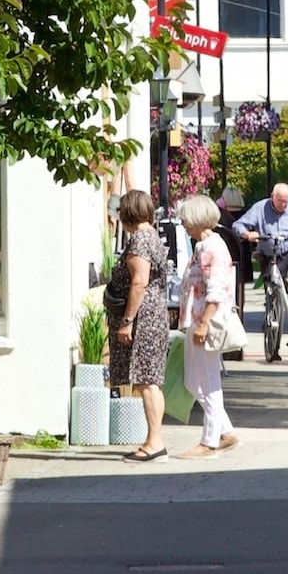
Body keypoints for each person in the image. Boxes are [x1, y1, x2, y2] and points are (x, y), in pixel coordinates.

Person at [106, 188, 170, 463]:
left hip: (144, 317)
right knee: (150, 379)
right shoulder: (151, 237)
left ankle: (155, 444)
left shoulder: (140, 241)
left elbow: (139, 281)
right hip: (154, 313)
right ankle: (153, 441)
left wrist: (128, 321)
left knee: (147, 381)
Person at [177, 195, 239, 458]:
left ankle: (210, 439)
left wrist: (203, 323)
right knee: (194, 381)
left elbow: (214, 289)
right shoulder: (205, 245)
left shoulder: (209, 247)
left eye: (184, 219)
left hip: (206, 321)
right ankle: (225, 432)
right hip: (197, 319)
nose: (182, 224)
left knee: (207, 380)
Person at [237, 182, 288, 308]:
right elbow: (238, 225)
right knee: (272, 279)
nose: (283, 205)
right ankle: (273, 311)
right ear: (272, 197)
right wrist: (247, 233)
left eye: (286, 201)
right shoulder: (260, 208)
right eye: (280, 201)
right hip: (270, 252)